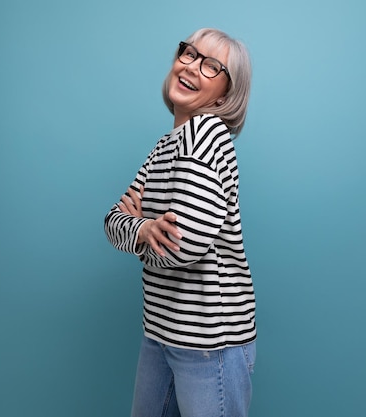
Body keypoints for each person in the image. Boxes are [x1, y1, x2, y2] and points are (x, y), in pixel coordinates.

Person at [104, 28, 256, 417]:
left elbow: (182, 247)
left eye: (211, 66)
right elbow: (112, 220)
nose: (191, 67)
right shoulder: (166, 144)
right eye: (188, 54)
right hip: (161, 330)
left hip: (208, 342)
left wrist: (141, 233)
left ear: (224, 94)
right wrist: (143, 230)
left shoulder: (205, 136)